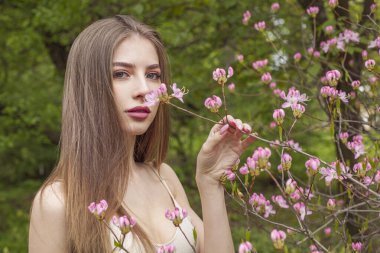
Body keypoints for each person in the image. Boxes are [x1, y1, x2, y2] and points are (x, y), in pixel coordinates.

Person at [28, 15, 254, 253]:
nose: (145, 90)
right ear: (89, 86)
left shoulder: (164, 177)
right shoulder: (57, 202)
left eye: (153, 75)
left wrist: (209, 182)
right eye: (121, 74)